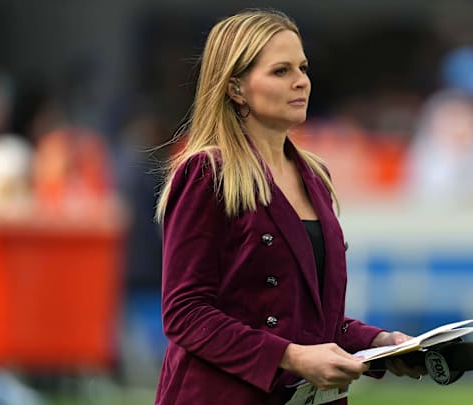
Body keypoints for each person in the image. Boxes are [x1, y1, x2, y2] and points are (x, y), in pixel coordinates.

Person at [153, 9, 424, 405]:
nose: (301, 81)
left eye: (302, 67)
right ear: (235, 88)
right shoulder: (206, 172)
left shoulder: (315, 176)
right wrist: (290, 357)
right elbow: (185, 312)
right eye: (280, 71)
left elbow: (310, 319)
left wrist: (381, 344)